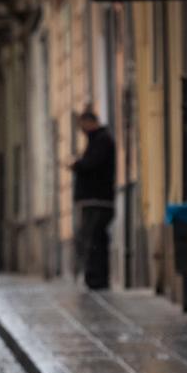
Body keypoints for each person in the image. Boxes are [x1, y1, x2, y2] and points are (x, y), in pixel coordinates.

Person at [71, 108, 116, 291]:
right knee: (96, 240)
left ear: (90, 122)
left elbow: (92, 164)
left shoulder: (101, 140)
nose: (82, 130)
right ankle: (97, 279)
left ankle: (97, 280)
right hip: (97, 200)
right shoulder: (99, 140)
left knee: (94, 241)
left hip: (97, 200)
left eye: (83, 126)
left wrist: (76, 164)